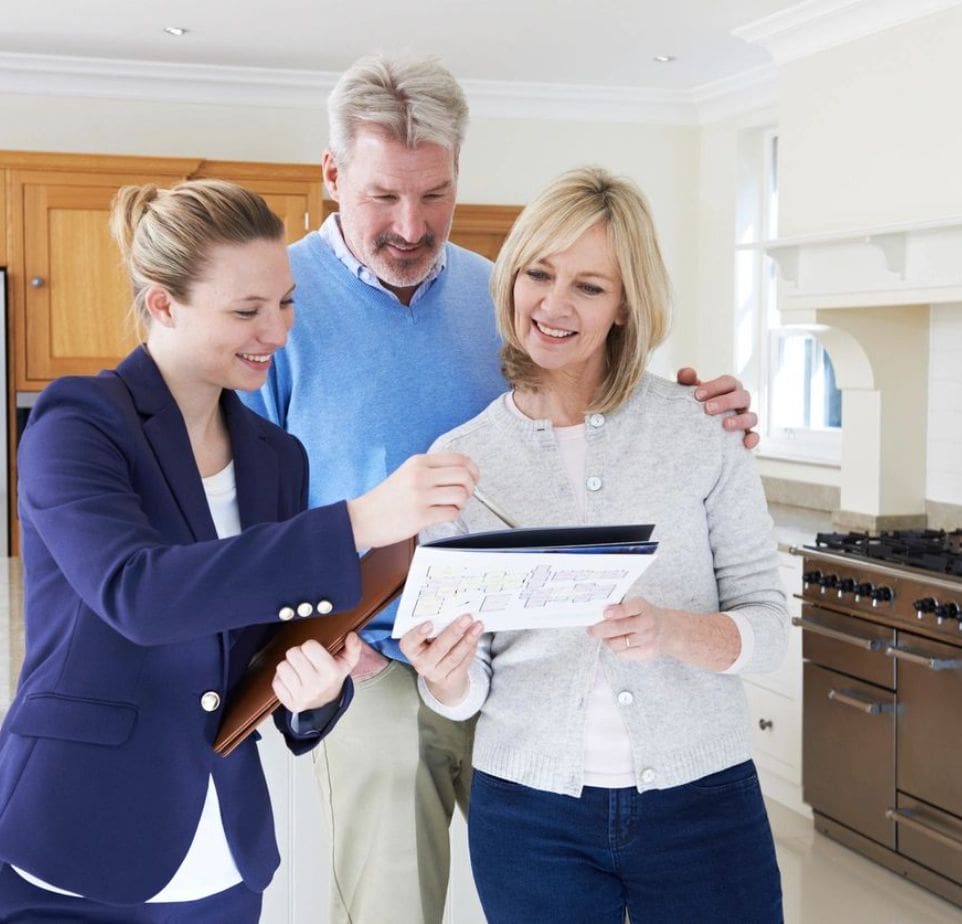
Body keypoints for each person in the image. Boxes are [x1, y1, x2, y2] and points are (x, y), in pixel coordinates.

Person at [240, 53, 762, 924]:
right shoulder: (278, 310)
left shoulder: (503, 294)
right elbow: (244, 521)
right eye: (381, 196)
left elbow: (590, 409)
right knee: (392, 908)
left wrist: (709, 410)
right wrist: (329, 648)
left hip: (528, 665)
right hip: (373, 667)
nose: (411, 225)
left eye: (434, 194)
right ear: (332, 175)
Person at [0, 179, 477, 923]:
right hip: (77, 838)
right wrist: (361, 519)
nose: (278, 331)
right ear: (163, 304)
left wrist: (315, 696)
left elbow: (262, 647)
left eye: (285, 302)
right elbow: (141, 595)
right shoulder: (79, 422)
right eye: (246, 311)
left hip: (223, 855)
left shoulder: (274, 455)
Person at [401, 166, 787, 923]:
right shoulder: (461, 462)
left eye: (588, 286)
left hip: (704, 802)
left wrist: (672, 630)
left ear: (625, 305)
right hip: (529, 816)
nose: (552, 305)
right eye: (538, 273)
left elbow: (770, 631)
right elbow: (468, 683)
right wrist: (441, 678)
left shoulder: (701, 429)